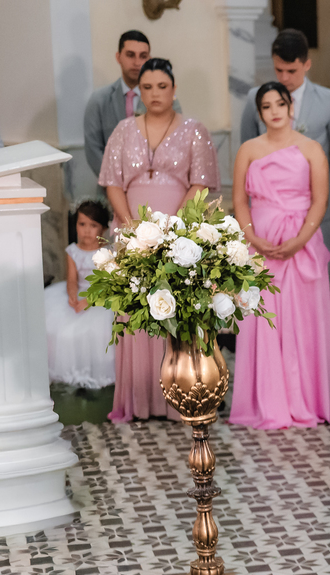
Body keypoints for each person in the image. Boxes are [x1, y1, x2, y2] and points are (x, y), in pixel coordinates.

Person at [99, 58, 219, 422]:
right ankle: (139, 399)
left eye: (162, 87)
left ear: (174, 89)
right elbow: (113, 183)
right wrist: (132, 226)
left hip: (179, 232)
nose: (154, 94)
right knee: (135, 310)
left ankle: (182, 396)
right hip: (131, 230)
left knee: (177, 309)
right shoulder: (122, 130)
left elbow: (200, 182)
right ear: (140, 91)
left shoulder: (195, 129)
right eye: (147, 87)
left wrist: (171, 229)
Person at [228, 82, 330, 430]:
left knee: (302, 323)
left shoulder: (311, 149)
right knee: (261, 320)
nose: (274, 110)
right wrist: (252, 238)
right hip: (258, 248)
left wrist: (299, 240)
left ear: (291, 108)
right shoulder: (248, 149)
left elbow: (320, 201)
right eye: (266, 105)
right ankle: (265, 401)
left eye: (280, 103)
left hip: (300, 247)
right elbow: (239, 200)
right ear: (259, 113)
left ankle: (304, 399)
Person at [241, 29, 330, 257]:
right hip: (267, 209)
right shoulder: (257, 98)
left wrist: (315, 177)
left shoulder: (328, 100)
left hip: (315, 202)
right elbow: (247, 143)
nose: (284, 78)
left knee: (317, 272)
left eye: (291, 71)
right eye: (278, 70)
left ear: (307, 64)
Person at [83, 30, 181, 180]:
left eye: (143, 56)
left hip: (157, 186)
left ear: (149, 58)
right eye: (130, 55)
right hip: (110, 190)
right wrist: (117, 183)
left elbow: (176, 144)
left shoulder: (168, 101)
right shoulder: (99, 100)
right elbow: (93, 150)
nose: (137, 62)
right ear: (118, 57)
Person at [44, 200, 116, 389]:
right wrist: (72, 295)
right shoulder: (72, 251)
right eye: (82, 224)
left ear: (104, 229)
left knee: (98, 331)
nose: (86, 230)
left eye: (93, 226)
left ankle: (98, 371)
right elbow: (72, 279)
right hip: (80, 291)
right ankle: (74, 371)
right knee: (61, 328)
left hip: (101, 295)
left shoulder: (108, 252)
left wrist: (89, 301)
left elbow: (108, 283)